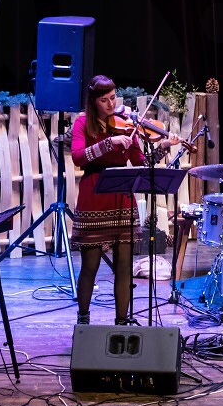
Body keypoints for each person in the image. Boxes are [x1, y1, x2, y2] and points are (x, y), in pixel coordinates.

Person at [70, 75, 181, 325]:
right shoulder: (82, 123)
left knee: (124, 266)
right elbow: (77, 157)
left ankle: (121, 322)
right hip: (94, 196)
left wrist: (163, 146)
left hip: (122, 197)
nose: (111, 104)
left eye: (113, 98)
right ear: (93, 101)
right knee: (90, 266)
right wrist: (108, 143)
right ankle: (83, 320)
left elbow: (142, 163)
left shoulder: (126, 126)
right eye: (104, 100)